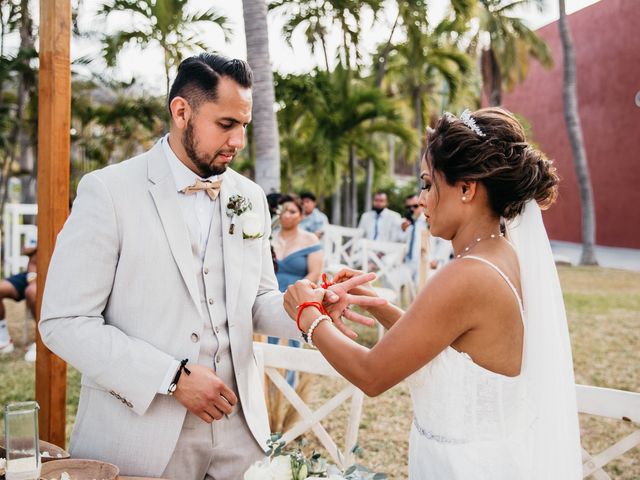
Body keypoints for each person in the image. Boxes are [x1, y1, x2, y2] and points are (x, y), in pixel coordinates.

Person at [39, 53, 307, 480]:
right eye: (225, 124)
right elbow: (63, 321)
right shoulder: (108, 191)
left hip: (240, 430)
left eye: (244, 126)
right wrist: (171, 377)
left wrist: (307, 310)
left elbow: (255, 300)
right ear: (181, 111)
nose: (238, 141)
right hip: (140, 433)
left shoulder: (249, 196)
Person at [284, 108, 582, 479]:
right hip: (492, 458)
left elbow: (371, 374)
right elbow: (453, 349)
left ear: (467, 188)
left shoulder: (466, 275)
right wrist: (377, 303)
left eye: (427, 184)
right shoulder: (502, 257)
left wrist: (307, 315)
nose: (420, 200)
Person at [268, 194, 323, 384]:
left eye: (292, 211)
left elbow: (314, 273)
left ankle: (290, 386)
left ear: (301, 215)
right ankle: (268, 386)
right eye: (283, 211)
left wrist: (295, 296)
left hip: (297, 299)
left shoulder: (310, 240)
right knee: (269, 343)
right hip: (269, 296)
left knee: (294, 346)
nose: (286, 215)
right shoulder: (269, 237)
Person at [0, 246, 37, 361]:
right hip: (31, 273)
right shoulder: (36, 229)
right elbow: (25, 250)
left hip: (53, 275)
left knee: (32, 292)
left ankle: (41, 342)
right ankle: (4, 339)